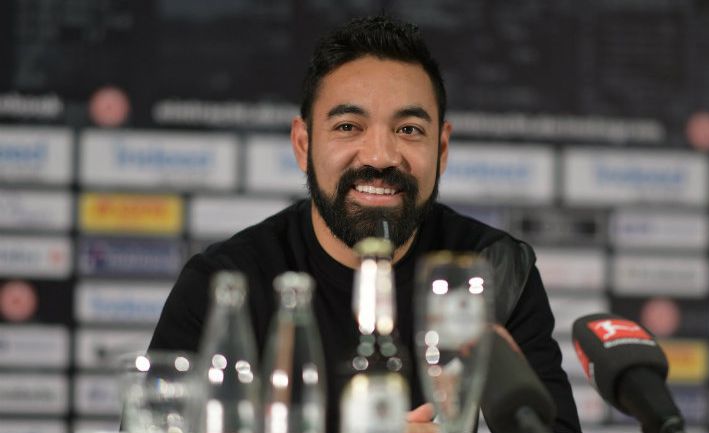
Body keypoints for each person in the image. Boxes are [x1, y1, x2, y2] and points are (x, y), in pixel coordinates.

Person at [148, 15, 581, 433]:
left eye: (409, 129)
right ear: (304, 144)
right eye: (349, 126)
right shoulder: (223, 285)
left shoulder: (494, 270)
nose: (379, 156)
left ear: (442, 148)